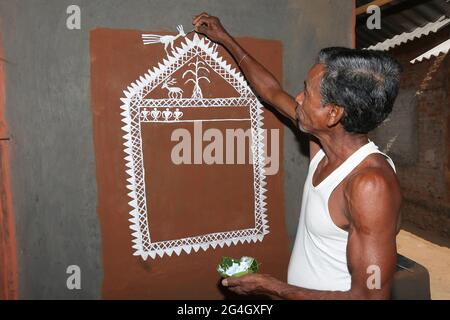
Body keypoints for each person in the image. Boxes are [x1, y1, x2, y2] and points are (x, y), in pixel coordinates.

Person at [192, 13, 403, 300]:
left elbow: (371, 297)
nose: (298, 99)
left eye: (307, 92)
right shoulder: (323, 140)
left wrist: (271, 287)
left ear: (333, 113)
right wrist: (226, 39)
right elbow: (271, 92)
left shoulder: (369, 185)